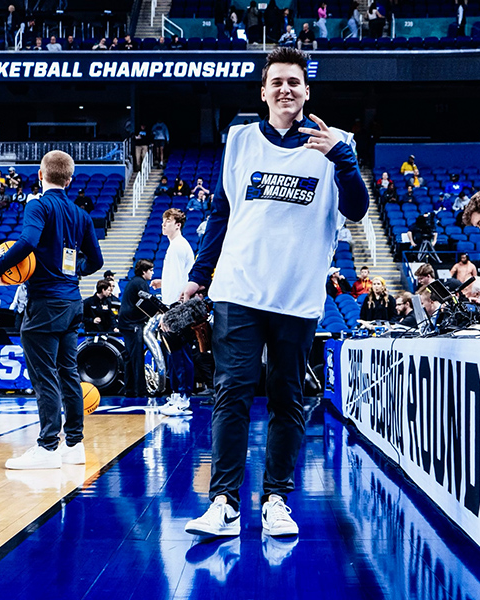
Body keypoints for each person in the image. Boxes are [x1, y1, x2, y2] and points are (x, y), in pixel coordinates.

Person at [182, 47, 368, 539]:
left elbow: (356, 211)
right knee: (232, 392)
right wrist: (199, 274)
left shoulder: (336, 143)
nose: (286, 89)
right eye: (277, 81)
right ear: (263, 91)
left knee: (288, 398)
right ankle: (223, 502)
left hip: (298, 295)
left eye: (295, 82)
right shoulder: (240, 141)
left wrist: (343, 160)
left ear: (307, 92)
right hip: (238, 289)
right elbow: (221, 214)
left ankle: (277, 501)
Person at [0, 150, 104, 470]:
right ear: (69, 180)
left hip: (45, 303)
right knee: (67, 372)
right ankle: (74, 444)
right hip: (72, 301)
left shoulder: (37, 205)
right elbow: (96, 262)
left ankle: (48, 446)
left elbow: (26, 242)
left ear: (41, 175)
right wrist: (72, 271)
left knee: (44, 377)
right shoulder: (81, 215)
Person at [150, 208, 196, 409]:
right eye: (163, 221)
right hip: (174, 307)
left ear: (177, 225)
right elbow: (177, 278)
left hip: (177, 308)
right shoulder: (175, 246)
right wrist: (163, 282)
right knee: (175, 354)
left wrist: (170, 312)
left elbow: (181, 283)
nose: (163, 224)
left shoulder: (178, 246)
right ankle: (177, 394)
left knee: (180, 353)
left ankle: (183, 397)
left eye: (167, 221)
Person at [118, 259, 153, 398]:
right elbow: (146, 304)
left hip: (127, 323)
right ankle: (140, 390)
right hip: (133, 324)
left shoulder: (135, 281)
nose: (152, 273)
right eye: (150, 270)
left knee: (130, 357)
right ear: (144, 271)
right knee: (136, 358)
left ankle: (131, 389)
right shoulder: (140, 283)